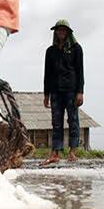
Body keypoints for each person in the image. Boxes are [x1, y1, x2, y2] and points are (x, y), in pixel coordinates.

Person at [42, 20, 84, 165]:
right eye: (58, 30)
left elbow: (80, 72)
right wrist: (46, 94)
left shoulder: (76, 49)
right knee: (56, 122)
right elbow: (47, 74)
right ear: (56, 33)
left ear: (68, 32)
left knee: (73, 120)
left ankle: (72, 151)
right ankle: (56, 152)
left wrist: (80, 92)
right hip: (55, 91)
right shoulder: (50, 51)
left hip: (71, 91)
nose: (60, 33)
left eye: (63, 30)